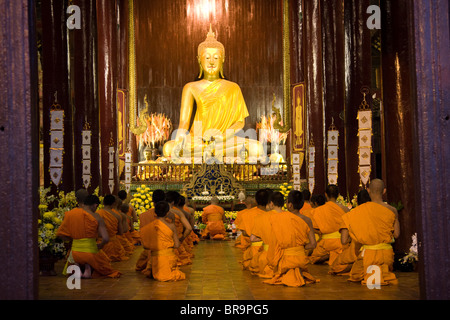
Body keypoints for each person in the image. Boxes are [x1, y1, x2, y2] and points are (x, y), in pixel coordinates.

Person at [162, 26, 264, 162]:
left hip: (224, 140)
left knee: (257, 148)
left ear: (223, 59)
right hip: (198, 139)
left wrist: (222, 137)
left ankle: (205, 155)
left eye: (216, 57)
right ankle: (209, 154)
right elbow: (184, 122)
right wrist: (179, 140)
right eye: (207, 57)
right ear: (199, 59)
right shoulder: (191, 87)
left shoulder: (233, 87)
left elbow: (240, 122)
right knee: (168, 148)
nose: (211, 61)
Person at [340, 179, 400, 285]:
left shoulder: (357, 211)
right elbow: (396, 234)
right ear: (384, 191)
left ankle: (377, 274)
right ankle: (383, 272)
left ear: (368, 190)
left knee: (355, 275)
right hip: (387, 254)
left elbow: (344, 240)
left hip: (368, 254)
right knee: (381, 272)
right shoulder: (392, 210)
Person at [56, 195, 121, 279]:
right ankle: (88, 268)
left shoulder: (71, 214)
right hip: (91, 253)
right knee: (105, 266)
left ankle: (79, 267)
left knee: (74, 258)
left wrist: (72, 242)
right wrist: (100, 246)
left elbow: (60, 234)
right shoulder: (97, 217)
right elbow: (105, 238)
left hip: (74, 253)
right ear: (95, 205)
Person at [263, 191, 319, 287]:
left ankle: (291, 272)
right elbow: (313, 244)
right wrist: (300, 248)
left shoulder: (278, 218)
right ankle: (297, 272)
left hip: (286, 259)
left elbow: (275, 242)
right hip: (301, 258)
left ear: (290, 205)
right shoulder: (307, 220)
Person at [140, 201, 185, 282]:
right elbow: (177, 245)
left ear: (155, 212)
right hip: (168, 258)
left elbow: (145, 246)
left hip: (154, 259)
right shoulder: (171, 226)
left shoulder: (149, 227)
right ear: (167, 213)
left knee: (155, 274)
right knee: (168, 276)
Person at [329, 189, 371, 276]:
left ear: (357, 201)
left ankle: (359, 264)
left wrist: (353, 236)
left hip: (357, 250)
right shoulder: (380, 212)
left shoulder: (349, 216)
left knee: (336, 266)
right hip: (380, 251)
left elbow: (344, 241)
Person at [309, 185, 349, 269]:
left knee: (313, 258)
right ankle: (335, 255)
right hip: (341, 242)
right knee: (347, 254)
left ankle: (329, 255)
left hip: (326, 243)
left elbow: (314, 228)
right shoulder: (346, 209)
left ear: (326, 194)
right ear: (338, 195)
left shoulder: (318, 210)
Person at [249, 192, 281, 278]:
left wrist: (264, 238)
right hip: (283, 257)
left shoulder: (261, 218)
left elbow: (252, 238)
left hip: (267, 257)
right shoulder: (291, 217)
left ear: (271, 203)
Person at [135, 189, 166, 274]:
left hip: (148, 249)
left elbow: (143, 237)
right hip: (165, 250)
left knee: (140, 265)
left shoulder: (143, 216)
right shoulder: (169, 216)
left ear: (152, 200)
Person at [239, 189, 270, 270]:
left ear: (255, 200)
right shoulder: (273, 214)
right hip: (270, 251)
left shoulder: (247, 214)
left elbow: (244, 233)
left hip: (254, 249)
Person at [96, 195, 128, 262]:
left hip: (101, 244)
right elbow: (121, 232)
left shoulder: (97, 214)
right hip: (114, 247)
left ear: (103, 202)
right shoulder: (117, 216)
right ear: (114, 204)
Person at [166, 191, 193, 266]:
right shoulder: (178, 213)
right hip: (176, 241)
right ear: (174, 202)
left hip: (162, 244)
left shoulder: (158, 212)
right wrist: (182, 238)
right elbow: (189, 228)